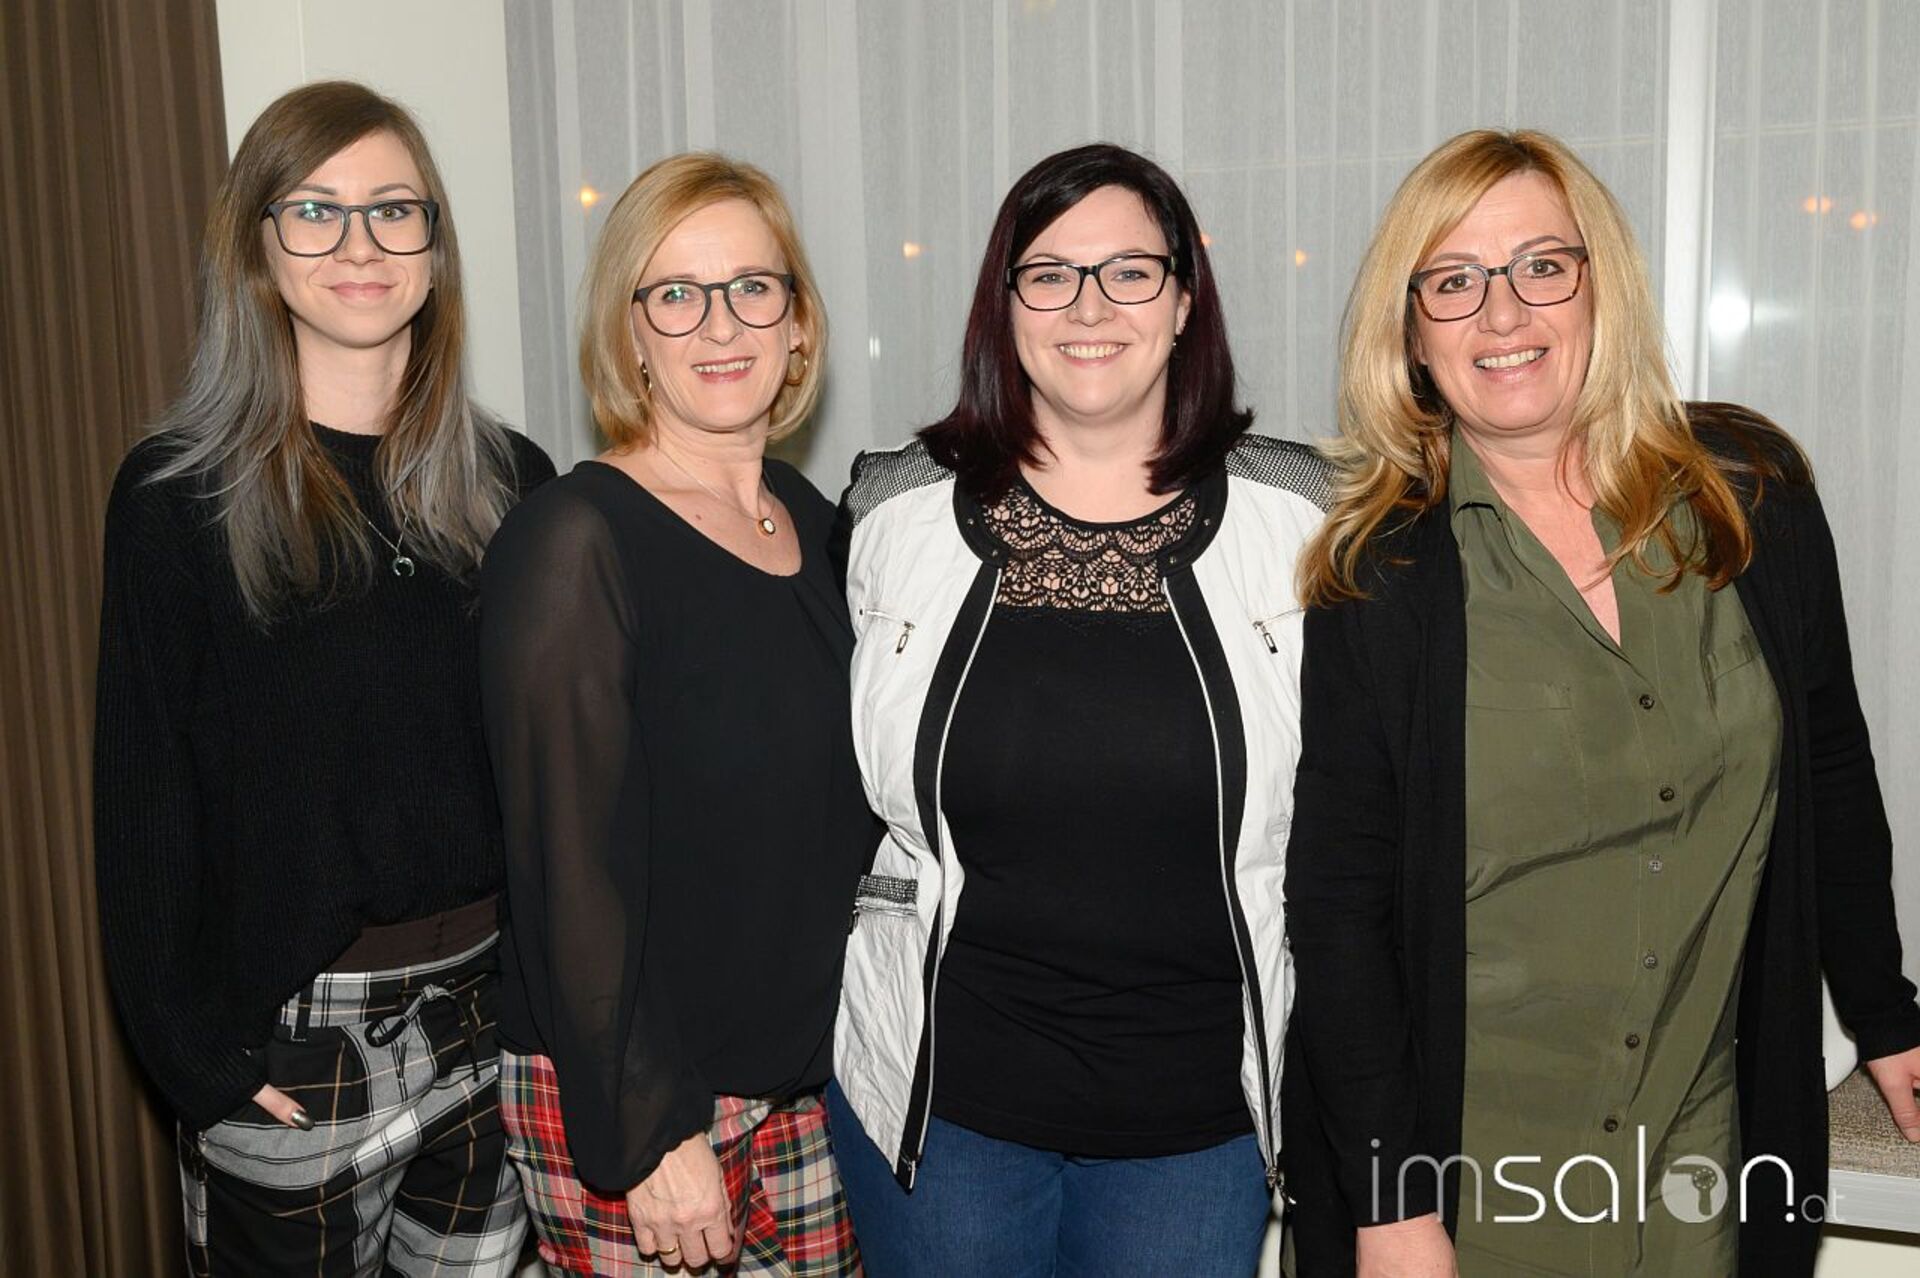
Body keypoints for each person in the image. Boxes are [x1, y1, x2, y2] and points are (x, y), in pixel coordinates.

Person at [1283, 127, 1920, 1277]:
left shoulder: (1750, 501)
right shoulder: (1382, 579)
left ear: (1601, 286)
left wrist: (1884, 1012)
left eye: (1542, 265)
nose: (1502, 312)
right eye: (1454, 281)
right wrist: (1391, 1204)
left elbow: (1828, 762)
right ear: (1412, 333)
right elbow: (1338, 908)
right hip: (1469, 1181)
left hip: (1698, 1164)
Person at [826, 142, 1325, 1277]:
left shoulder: (1308, 517)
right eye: (1049, 275)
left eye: (1130, 273)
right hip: (941, 1114)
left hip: (1196, 1123)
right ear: (1004, 307)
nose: (1088, 307)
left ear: (1185, 302)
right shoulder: (888, 508)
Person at [93, 80, 554, 1274]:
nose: (360, 245)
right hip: (295, 1047)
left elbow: (560, 775)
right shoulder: (176, 499)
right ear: (259, 247)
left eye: (394, 210)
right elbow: (144, 803)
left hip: (494, 1020)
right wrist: (197, 1065)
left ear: (434, 252)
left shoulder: (516, 483)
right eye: (315, 211)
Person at [479, 153, 870, 1277]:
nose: (721, 323)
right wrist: (650, 1127)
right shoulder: (574, 539)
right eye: (678, 294)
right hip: (647, 1106)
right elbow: (566, 866)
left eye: (753, 286)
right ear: (631, 334)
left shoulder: (814, 523)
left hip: (806, 1090)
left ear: (799, 322)